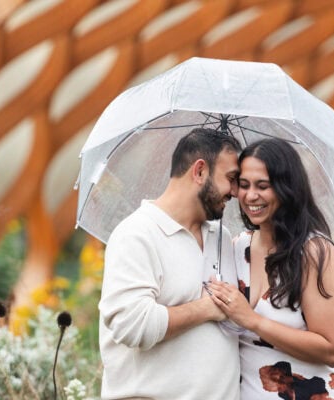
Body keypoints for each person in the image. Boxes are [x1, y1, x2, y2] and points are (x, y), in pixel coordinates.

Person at [98, 128, 242, 400]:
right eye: (231, 179)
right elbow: (133, 325)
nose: (235, 192)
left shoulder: (221, 236)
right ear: (199, 171)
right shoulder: (137, 234)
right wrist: (206, 308)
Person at [207, 138, 334, 399]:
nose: (251, 196)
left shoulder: (315, 252)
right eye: (244, 185)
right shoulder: (237, 247)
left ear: (287, 189)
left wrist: (252, 321)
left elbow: (332, 349)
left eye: (263, 186)